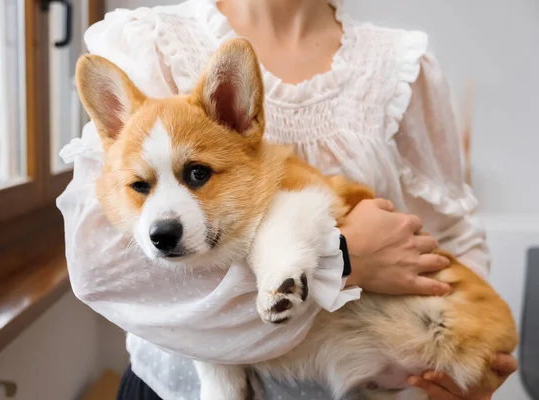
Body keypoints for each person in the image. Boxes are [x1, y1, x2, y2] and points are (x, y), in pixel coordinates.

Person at [56, 0, 518, 398]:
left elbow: (454, 231)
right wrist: (341, 259)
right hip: (173, 391)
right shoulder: (151, 43)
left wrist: (477, 366)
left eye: (197, 173)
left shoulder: (398, 65)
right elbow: (102, 271)